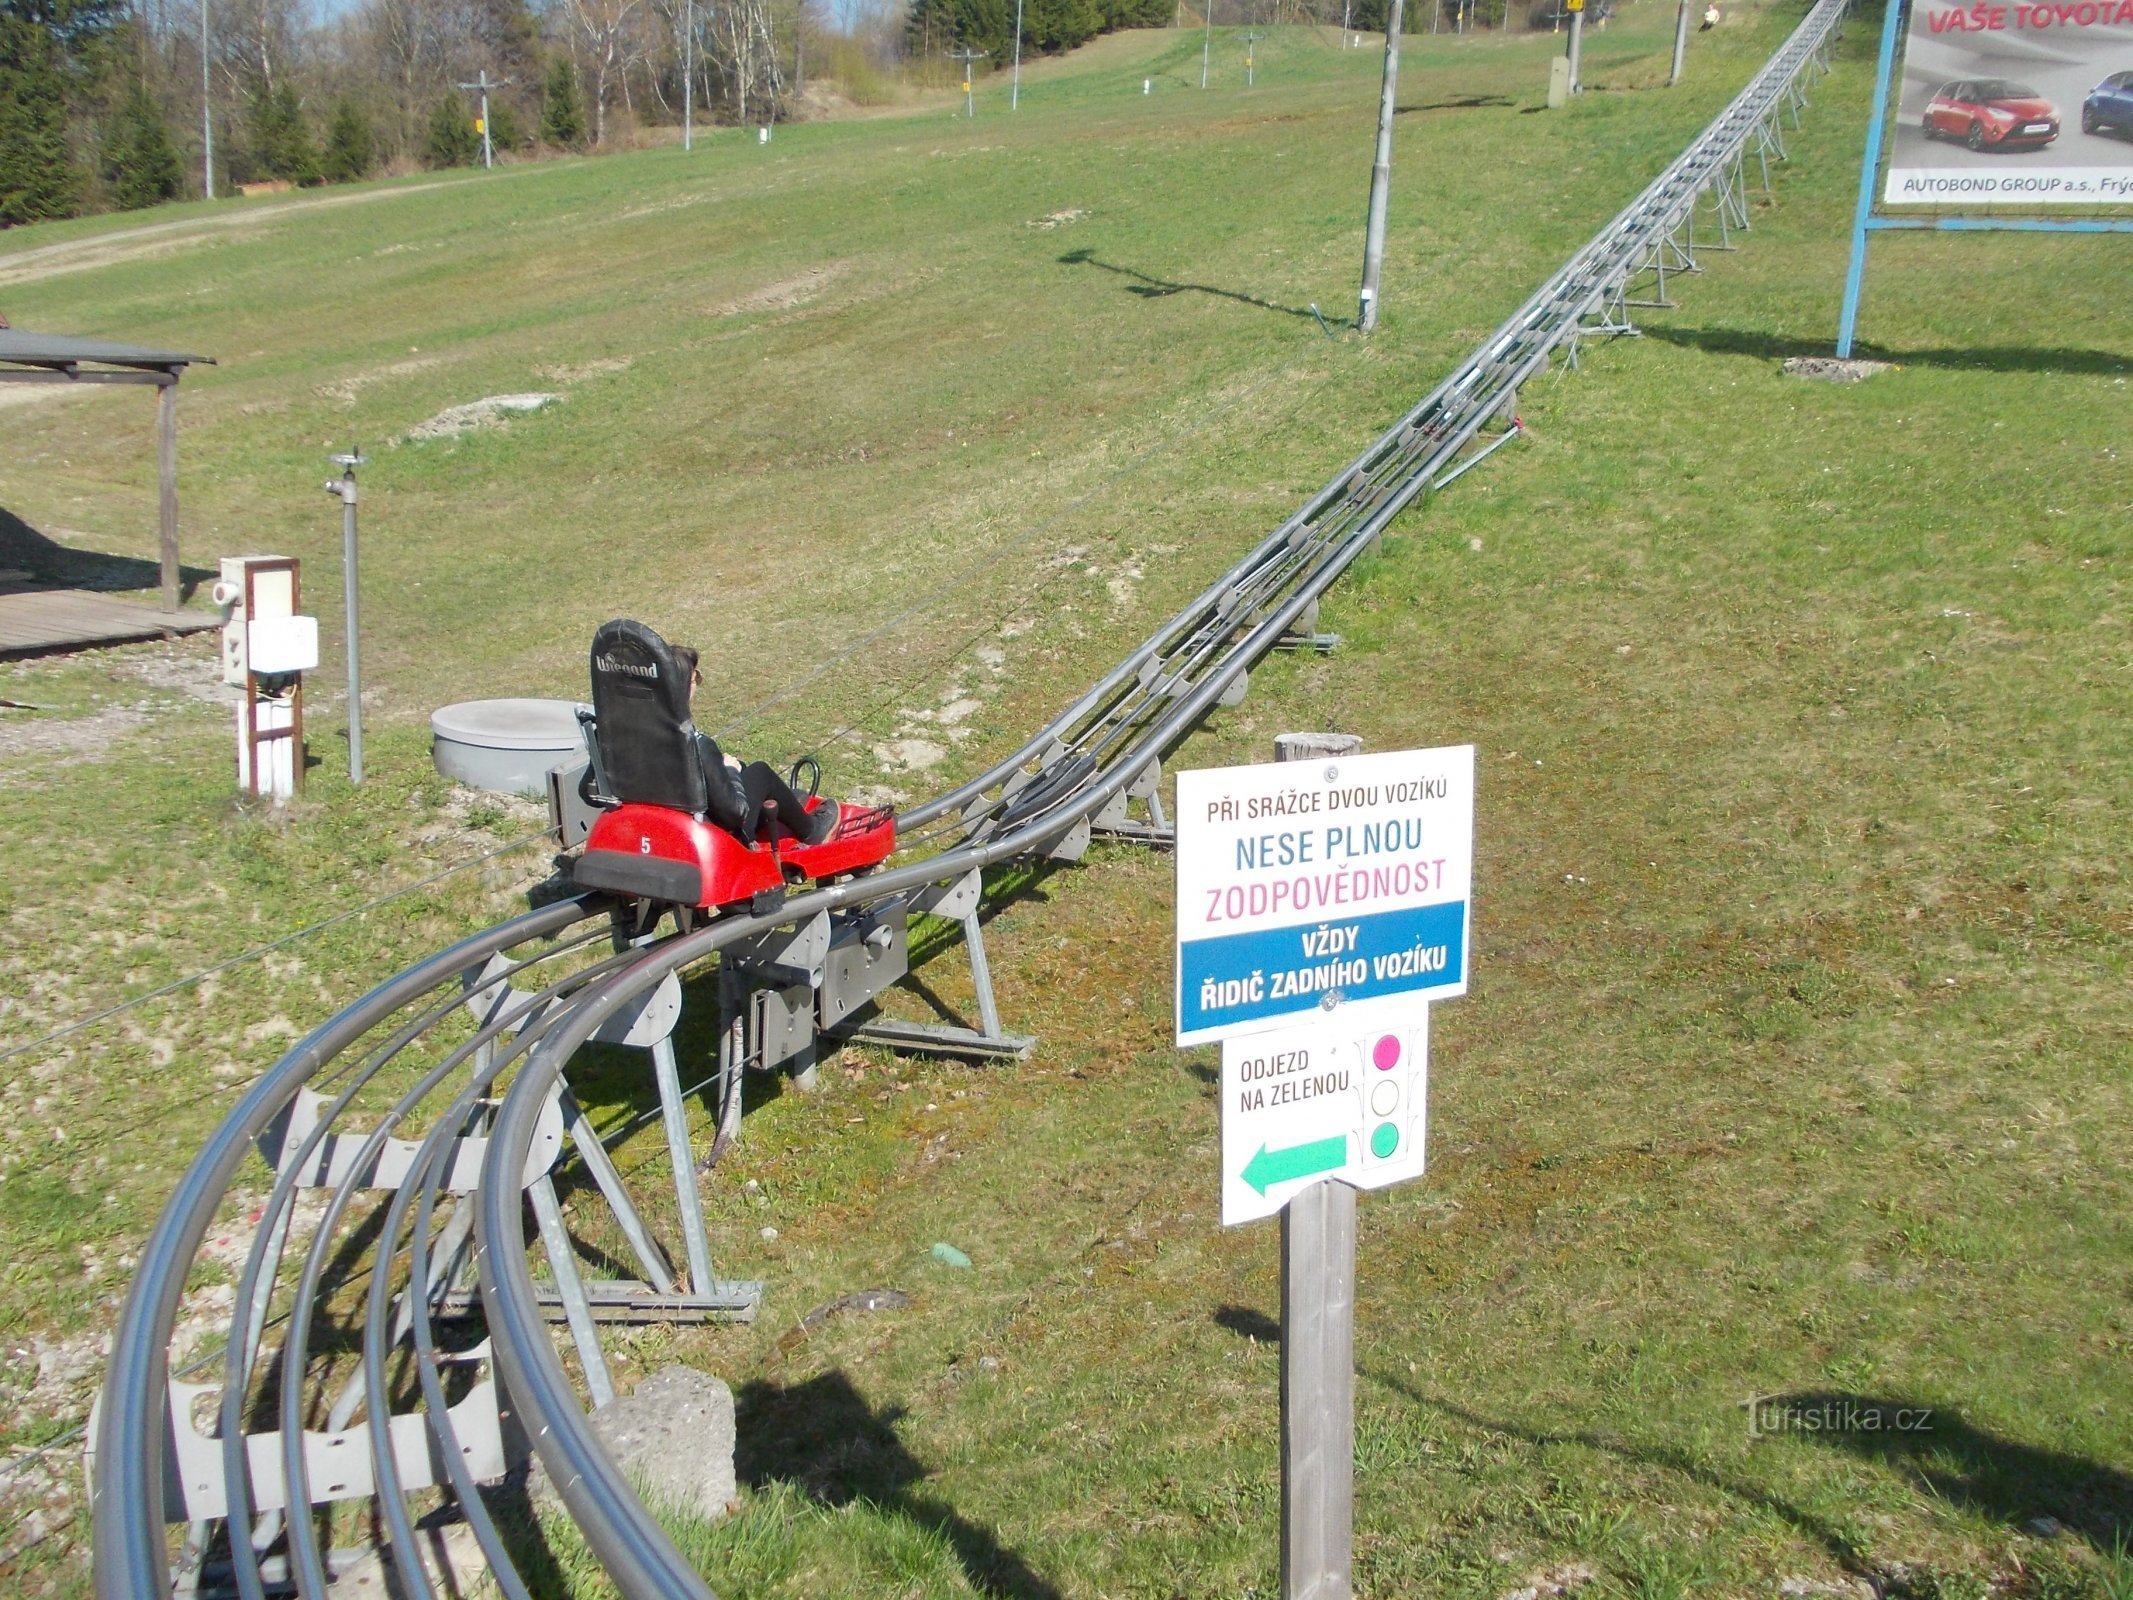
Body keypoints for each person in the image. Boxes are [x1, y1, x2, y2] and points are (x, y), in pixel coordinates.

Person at [671, 644, 840, 847]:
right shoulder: (700, 746)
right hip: (719, 838)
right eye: (695, 678)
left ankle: (784, 804)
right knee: (759, 773)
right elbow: (732, 814)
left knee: (743, 769)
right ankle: (812, 829)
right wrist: (730, 772)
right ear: (684, 686)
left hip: (676, 827)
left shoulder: (645, 735)